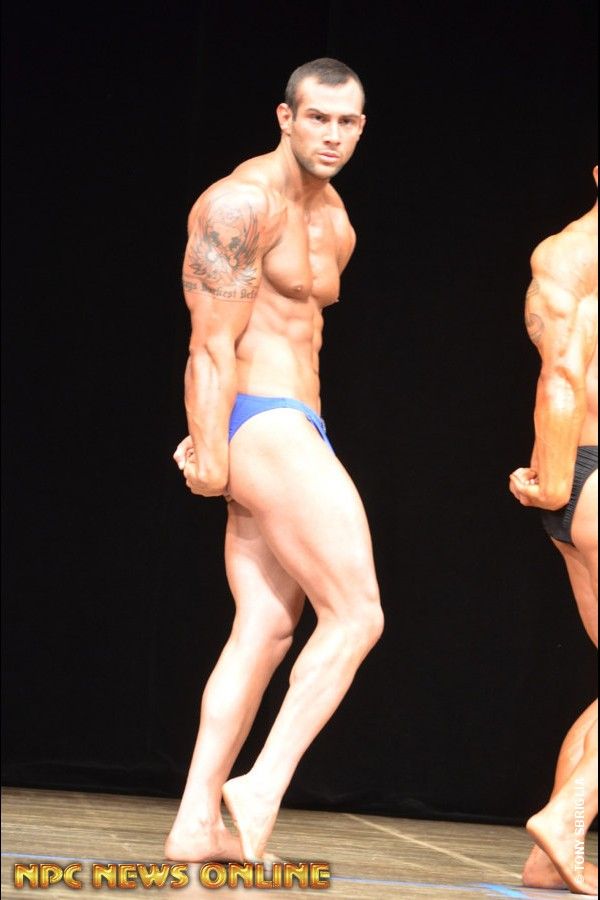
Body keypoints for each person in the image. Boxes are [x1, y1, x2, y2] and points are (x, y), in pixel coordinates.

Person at [165, 58, 383, 864]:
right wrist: (210, 451)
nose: (333, 134)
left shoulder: (336, 218)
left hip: (299, 422)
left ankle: (195, 825)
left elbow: (301, 329)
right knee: (357, 615)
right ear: (285, 117)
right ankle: (260, 787)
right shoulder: (240, 203)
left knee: (263, 629)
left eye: (347, 121)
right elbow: (209, 344)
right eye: (318, 117)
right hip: (261, 421)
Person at [509, 167, 598, 895]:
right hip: (587, 476)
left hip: (577, 485)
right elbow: (561, 373)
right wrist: (560, 477)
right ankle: (567, 815)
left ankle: (550, 854)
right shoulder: (570, 257)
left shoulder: (566, 255)